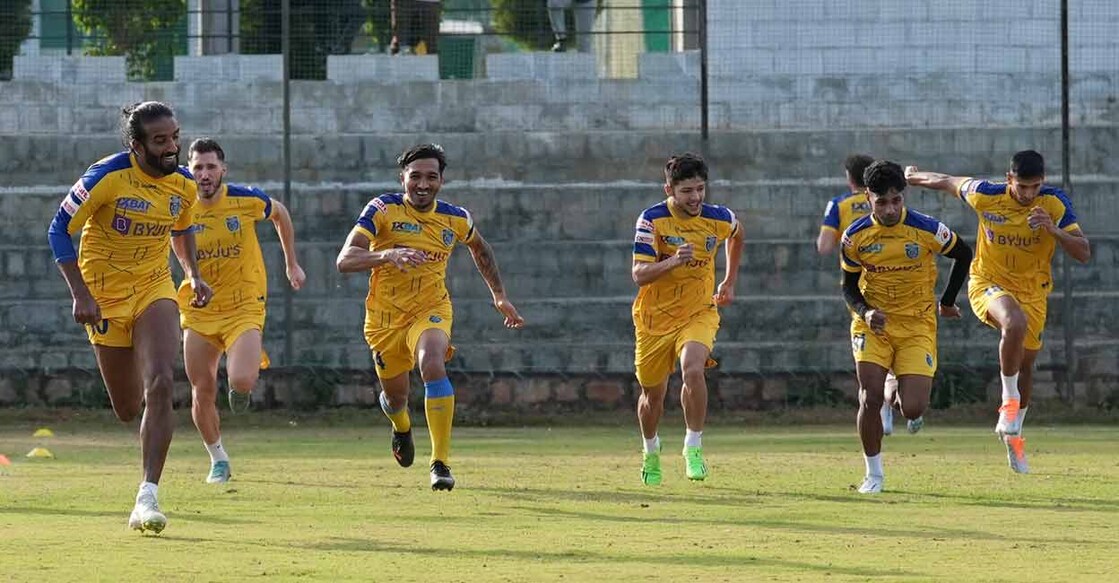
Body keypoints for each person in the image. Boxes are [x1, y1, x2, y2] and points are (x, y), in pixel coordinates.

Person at [46, 101, 212, 533]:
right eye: (161, 141)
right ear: (137, 146)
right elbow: (58, 229)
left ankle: (148, 494)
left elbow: (183, 230)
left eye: (175, 136)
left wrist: (193, 276)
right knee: (126, 407)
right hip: (102, 300)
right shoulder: (107, 175)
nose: (172, 147)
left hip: (154, 288)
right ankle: (143, 449)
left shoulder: (184, 185)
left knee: (160, 382)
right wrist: (79, 293)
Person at [335, 144, 524, 490]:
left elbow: (480, 248)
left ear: (441, 180)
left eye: (431, 177)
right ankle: (401, 426)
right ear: (403, 178)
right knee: (395, 398)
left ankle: (440, 464)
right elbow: (345, 260)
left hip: (431, 310)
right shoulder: (382, 209)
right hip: (385, 320)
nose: (423, 184)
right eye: (416, 176)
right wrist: (387, 255)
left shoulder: (456, 218)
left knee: (433, 363)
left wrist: (499, 296)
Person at [905, 151, 1090, 473]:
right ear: (1009, 179)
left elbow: (1083, 252)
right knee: (1013, 322)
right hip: (987, 283)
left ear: (1042, 182)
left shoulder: (1054, 204)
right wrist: (912, 177)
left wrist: (1053, 230)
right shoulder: (986, 194)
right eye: (1022, 186)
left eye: (1034, 187)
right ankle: (1008, 403)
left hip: (1034, 291)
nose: (1028, 194)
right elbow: (947, 181)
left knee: (1027, 366)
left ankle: (1014, 440)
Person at [175, 138, 305, 485]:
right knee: (201, 388)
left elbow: (280, 213)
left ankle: (242, 372)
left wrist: (291, 264)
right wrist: (189, 276)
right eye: (198, 167)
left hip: (244, 304)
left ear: (223, 170)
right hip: (200, 308)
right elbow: (170, 240)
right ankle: (218, 458)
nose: (204, 174)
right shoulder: (180, 205)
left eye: (211, 167)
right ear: (189, 169)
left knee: (241, 380)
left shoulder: (245, 199)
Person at [840, 160, 972, 494]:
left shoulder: (926, 229)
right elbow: (848, 287)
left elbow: (964, 253)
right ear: (868, 197)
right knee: (868, 397)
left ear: (903, 196)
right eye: (881, 202)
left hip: (917, 325)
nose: (889, 208)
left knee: (913, 407)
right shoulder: (854, 237)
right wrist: (866, 312)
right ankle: (874, 474)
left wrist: (946, 301)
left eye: (896, 200)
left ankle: (894, 384)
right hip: (874, 325)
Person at [631, 152, 743, 486]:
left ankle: (692, 445)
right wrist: (672, 262)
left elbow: (737, 235)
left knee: (693, 369)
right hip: (654, 318)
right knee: (652, 397)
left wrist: (729, 280)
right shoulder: (651, 220)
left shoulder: (718, 218)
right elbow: (639, 274)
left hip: (699, 311)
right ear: (669, 189)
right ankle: (651, 449)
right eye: (686, 191)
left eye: (699, 189)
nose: (695, 198)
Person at [819, 154, 924, 436]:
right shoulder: (898, 211)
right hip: (903, 288)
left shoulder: (839, 205)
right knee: (892, 343)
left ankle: (888, 401)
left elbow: (823, 246)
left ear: (849, 178)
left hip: (862, 289)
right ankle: (893, 396)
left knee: (873, 351)